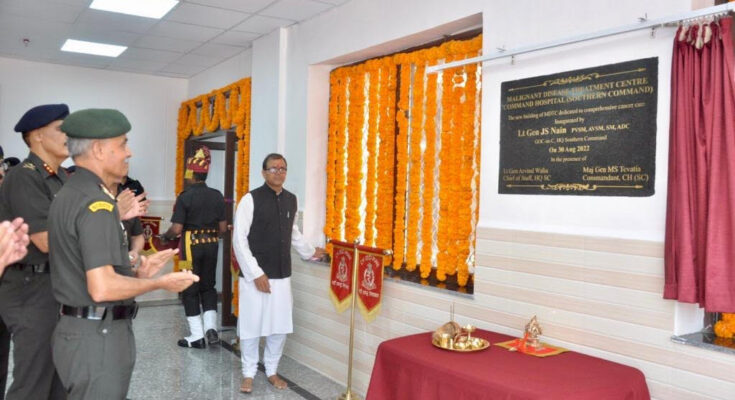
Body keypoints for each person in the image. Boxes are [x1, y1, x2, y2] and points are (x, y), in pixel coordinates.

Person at [48, 108, 199, 399]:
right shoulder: (97, 204)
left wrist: (136, 272)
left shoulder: (70, 192)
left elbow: (85, 268)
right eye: (122, 144)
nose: (128, 153)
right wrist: (159, 284)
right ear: (99, 150)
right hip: (98, 339)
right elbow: (102, 287)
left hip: (80, 332)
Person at [233, 153, 325, 393]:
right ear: (263, 173)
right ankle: (248, 373)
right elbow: (239, 240)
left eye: (282, 168)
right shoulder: (250, 200)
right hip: (255, 278)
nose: (278, 172)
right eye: (273, 169)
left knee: (279, 326)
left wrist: (310, 252)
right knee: (251, 326)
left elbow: (293, 233)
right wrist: (255, 274)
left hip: (282, 276)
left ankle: (272, 370)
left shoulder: (291, 200)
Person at [0, 103, 70, 400]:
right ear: (37, 135)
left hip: (56, 287)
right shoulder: (24, 175)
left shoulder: (64, 178)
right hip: (31, 290)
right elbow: (46, 241)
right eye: (61, 128)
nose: (70, 135)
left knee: (60, 380)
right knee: (33, 382)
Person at [162, 146, 226, 348]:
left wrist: (165, 236)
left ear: (190, 174)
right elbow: (223, 228)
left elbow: (177, 228)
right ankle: (211, 329)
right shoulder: (217, 195)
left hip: (190, 247)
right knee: (208, 286)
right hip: (212, 245)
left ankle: (197, 336)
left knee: (189, 287)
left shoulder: (185, 196)